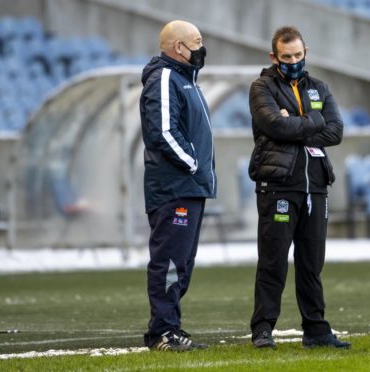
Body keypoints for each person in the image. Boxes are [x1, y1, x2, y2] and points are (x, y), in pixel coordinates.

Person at [248, 25, 351, 350]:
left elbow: (335, 131)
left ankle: (316, 331)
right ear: (274, 57)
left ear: (306, 53)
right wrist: (310, 121)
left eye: (297, 55)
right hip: (278, 186)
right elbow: (274, 125)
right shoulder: (261, 87)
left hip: (316, 186)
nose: (293, 61)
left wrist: (295, 123)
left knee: (311, 263)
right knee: (273, 261)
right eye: (286, 56)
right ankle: (263, 329)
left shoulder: (320, 87)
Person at [139, 20, 216, 352]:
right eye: (196, 42)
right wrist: (193, 164)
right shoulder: (166, 78)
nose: (201, 48)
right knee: (170, 260)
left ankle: (169, 327)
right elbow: (163, 133)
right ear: (177, 48)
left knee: (181, 263)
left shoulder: (187, 80)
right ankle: (163, 332)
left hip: (190, 187)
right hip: (175, 188)